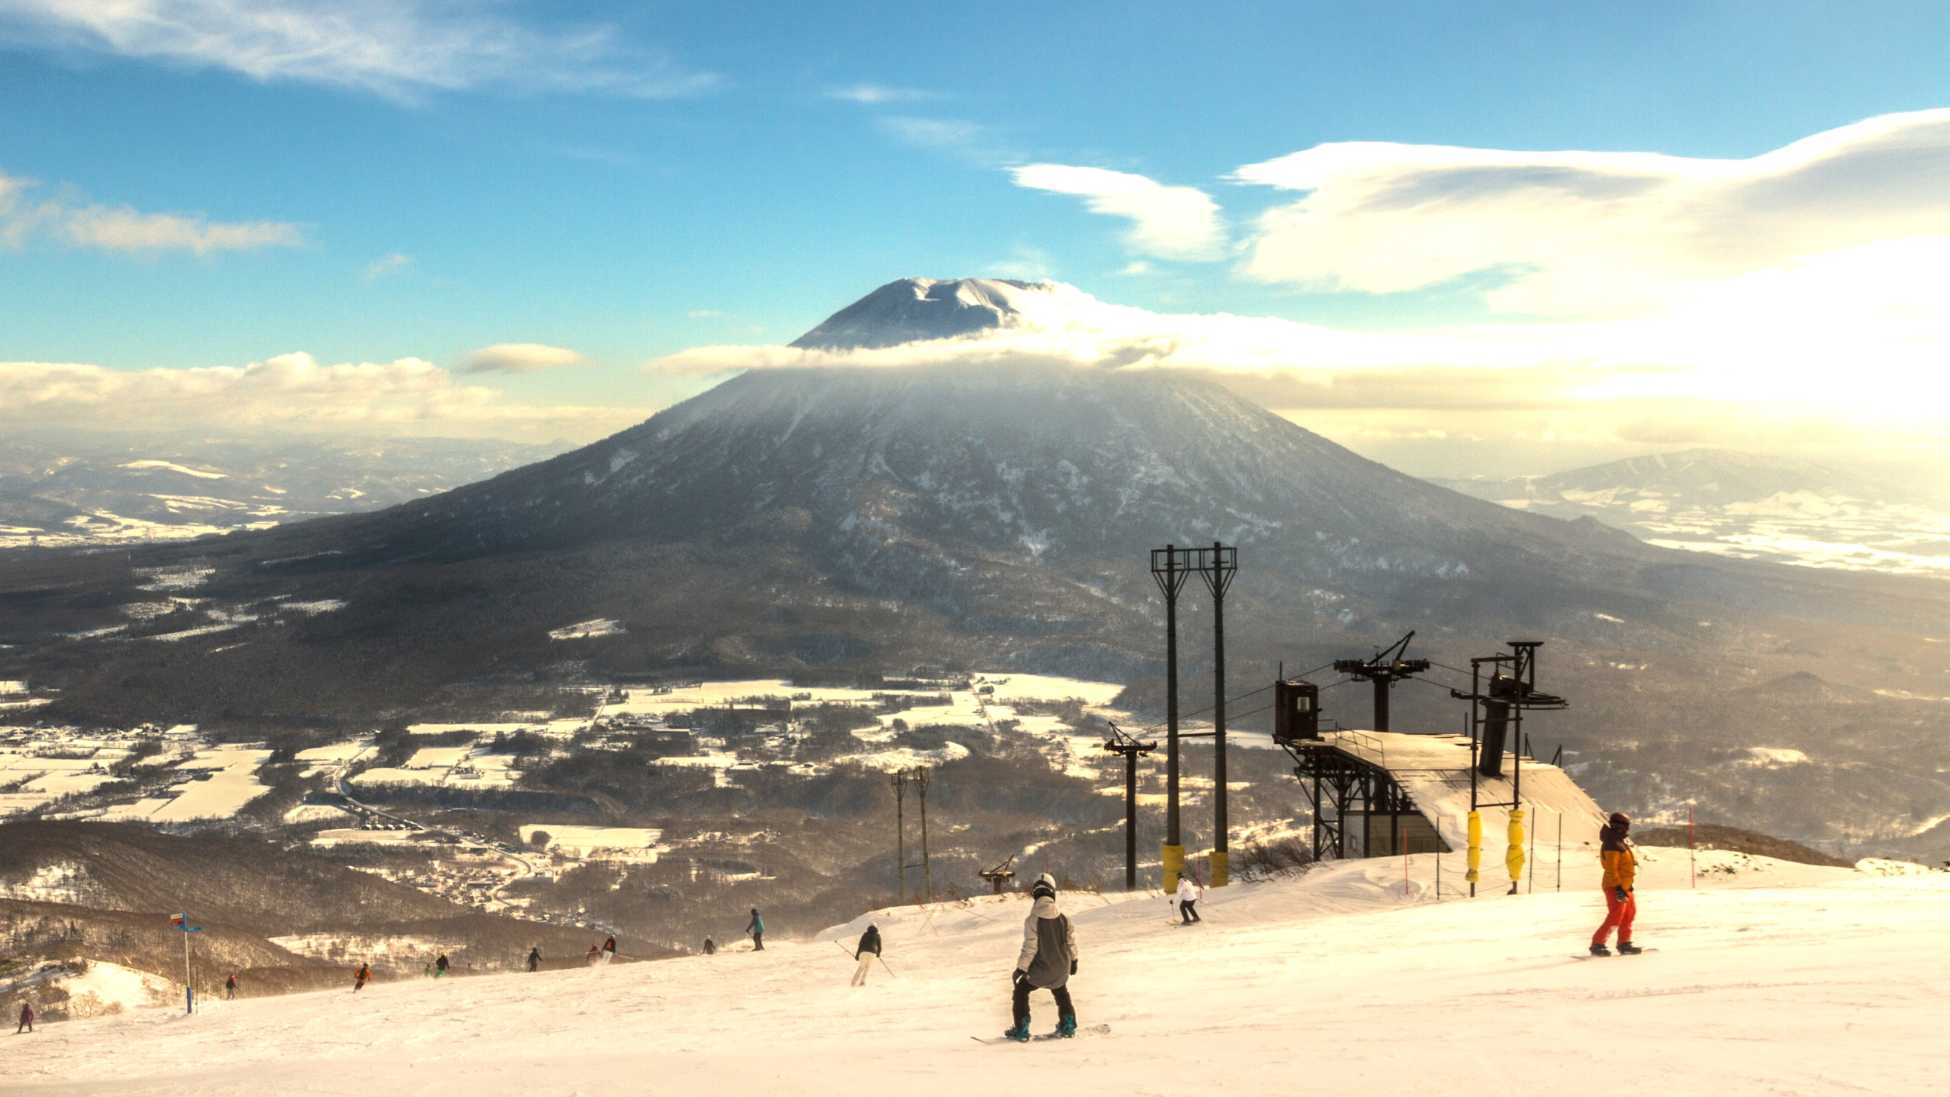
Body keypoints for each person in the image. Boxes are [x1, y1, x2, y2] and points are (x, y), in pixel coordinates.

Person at [1004, 873, 1078, 1041]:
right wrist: (1074, 961)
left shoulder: (1032, 920)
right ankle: (1068, 1024)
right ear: (1053, 893)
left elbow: (1030, 948)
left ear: (1035, 894)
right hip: (1061, 970)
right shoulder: (1065, 918)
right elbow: (1071, 943)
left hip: (1040, 972)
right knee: (1061, 991)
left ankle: (1021, 1028)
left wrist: (1021, 969)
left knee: (1021, 990)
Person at [1591, 811, 1642, 956]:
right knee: (1615, 916)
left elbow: (1625, 866)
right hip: (1614, 886)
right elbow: (1611, 869)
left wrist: (1627, 884)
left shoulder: (1619, 841)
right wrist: (1618, 887)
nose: (1628, 829)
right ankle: (1597, 944)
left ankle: (1624, 943)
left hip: (1624, 886)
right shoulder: (1612, 843)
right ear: (1619, 826)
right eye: (1626, 826)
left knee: (1629, 914)